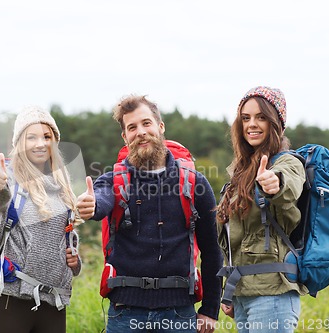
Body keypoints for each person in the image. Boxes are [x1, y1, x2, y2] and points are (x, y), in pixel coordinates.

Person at [77, 95, 222, 333]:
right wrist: (91, 206)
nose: (141, 132)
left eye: (146, 123)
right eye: (132, 127)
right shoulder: (114, 180)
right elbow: (100, 199)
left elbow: (212, 250)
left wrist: (209, 309)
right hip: (125, 313)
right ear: (125, 137)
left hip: (179, 312)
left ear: (160, 127)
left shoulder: (194, 182)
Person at [216, 86, 307, 332]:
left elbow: (288, 185)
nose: (251, 124)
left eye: (261, 117)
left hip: (273, 295)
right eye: (246, 118)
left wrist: (274, 183)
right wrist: (231, 289)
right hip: (243, 294)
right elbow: (235, 239)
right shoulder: (239, 172)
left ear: (276, 122)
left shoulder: (288, 162)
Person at [0, 105, 82, 333]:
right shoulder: (9, 178)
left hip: (55, 300)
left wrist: (75, 262)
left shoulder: (62, 186)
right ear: (20, 143)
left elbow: (67, 238)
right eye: (32, 137)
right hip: (13, 298)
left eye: (46, 137)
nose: (40, 143)